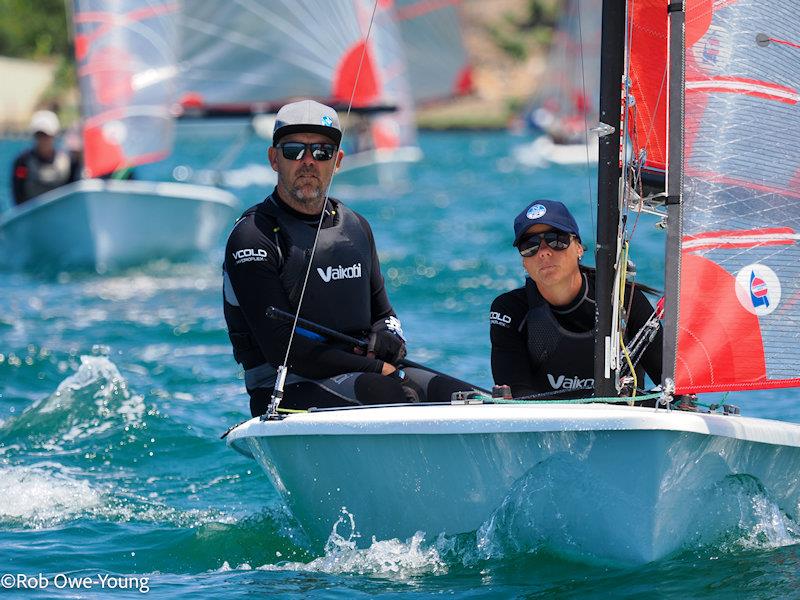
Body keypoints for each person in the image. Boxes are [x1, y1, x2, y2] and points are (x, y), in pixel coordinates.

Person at [223, 99, 470, 416]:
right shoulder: (253, 236)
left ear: (338, 161)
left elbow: (384, 314)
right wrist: (374, 366)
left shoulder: (354, 227)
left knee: (473, 398)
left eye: (322, 152)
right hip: (285, 386)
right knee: (393, 393)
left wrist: (389, 336)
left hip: (366, 372)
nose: (309, 161)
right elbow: (282, 349)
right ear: (273, 159)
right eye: (294, 150)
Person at [490, 199, 662, 399]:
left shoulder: (623, 300)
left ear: (579, 248)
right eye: (530, 245)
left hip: (619, 421)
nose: (544, 252)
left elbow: (669, 384)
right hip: (544, 424)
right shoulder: (510, 310)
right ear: (524, 262)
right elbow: (517, 394)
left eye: (557, 240)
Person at [11, 110, 79, 205]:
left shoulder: (69, 162)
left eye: (46, 135)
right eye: (39, 135)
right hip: (32, 216)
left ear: (54, 135)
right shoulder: (22, 163)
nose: (43, 139)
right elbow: (18, 192)